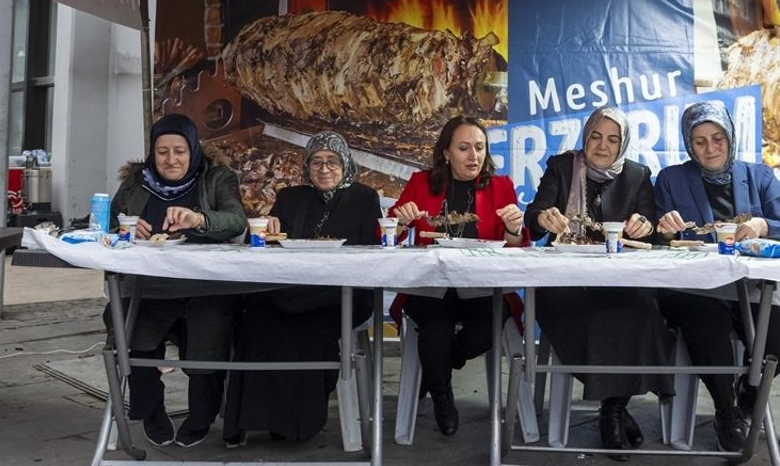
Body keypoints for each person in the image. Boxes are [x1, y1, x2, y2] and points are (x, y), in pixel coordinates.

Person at [652, 102, 780, 452]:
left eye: (717, 138)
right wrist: (666, 230)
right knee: (704, 322)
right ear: (689, 144)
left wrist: (762, 225)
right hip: (696, 288)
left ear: (730, 137)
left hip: (755, 286)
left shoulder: (760, 176)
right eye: (700, 141)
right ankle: (726, 412)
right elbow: (657, 240)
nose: (710, 148)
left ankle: (747, 397)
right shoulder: (672, 179)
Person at [524, 107, 671, 460]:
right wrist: (544, 218)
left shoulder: (637, 175)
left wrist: (644, 226)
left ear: (623, 144)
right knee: (598, 316)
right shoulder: (562, 167)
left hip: (621, 281)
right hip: (564, 282)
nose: (603, 146)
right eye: (596, 136)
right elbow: (533, 217)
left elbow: (652, 229)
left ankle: (613, 409)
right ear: (585, 136)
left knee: (644, 311)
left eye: (612, 139)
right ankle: (615, 410)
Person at [222, 131, 380, 446]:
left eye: (332, 161)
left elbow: (371, 252)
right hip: (291, 290)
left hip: (342, 292)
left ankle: (294, 424)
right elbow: (269, 245)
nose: (324, 169)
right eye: (316, 162)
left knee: (305, 327)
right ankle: (247, 421)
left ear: (345, 163)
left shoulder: (364, 198)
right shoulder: (291, 198)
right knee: (256, 319)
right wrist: (265, 231)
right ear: (306, 167)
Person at [107, 114, 246, 447]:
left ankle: (201, 416)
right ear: (152, 153)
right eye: (162, 152)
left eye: (180, 151)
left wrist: (198, 219)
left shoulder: (216, 177)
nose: (171, 160)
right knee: (133, 335)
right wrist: (125, 229)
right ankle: (150, 410)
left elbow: (236, 220)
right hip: (149, 287)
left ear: (193, 150)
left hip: (205, 285)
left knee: (208, 340)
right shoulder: (136, 182)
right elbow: (108, 225)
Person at [389, 115, 528, 436]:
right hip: (431, 285)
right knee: (435, 326)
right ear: (446, 153)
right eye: (464, 148)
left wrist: (513, 228)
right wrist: (399, 221)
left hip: (483, 286)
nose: (473, 156)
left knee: (491, 323)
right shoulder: (421, 183)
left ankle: (437, 369)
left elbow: (516, 247)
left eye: (479, 147)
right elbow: (387, 236)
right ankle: (441, 396)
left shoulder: (501, 186)